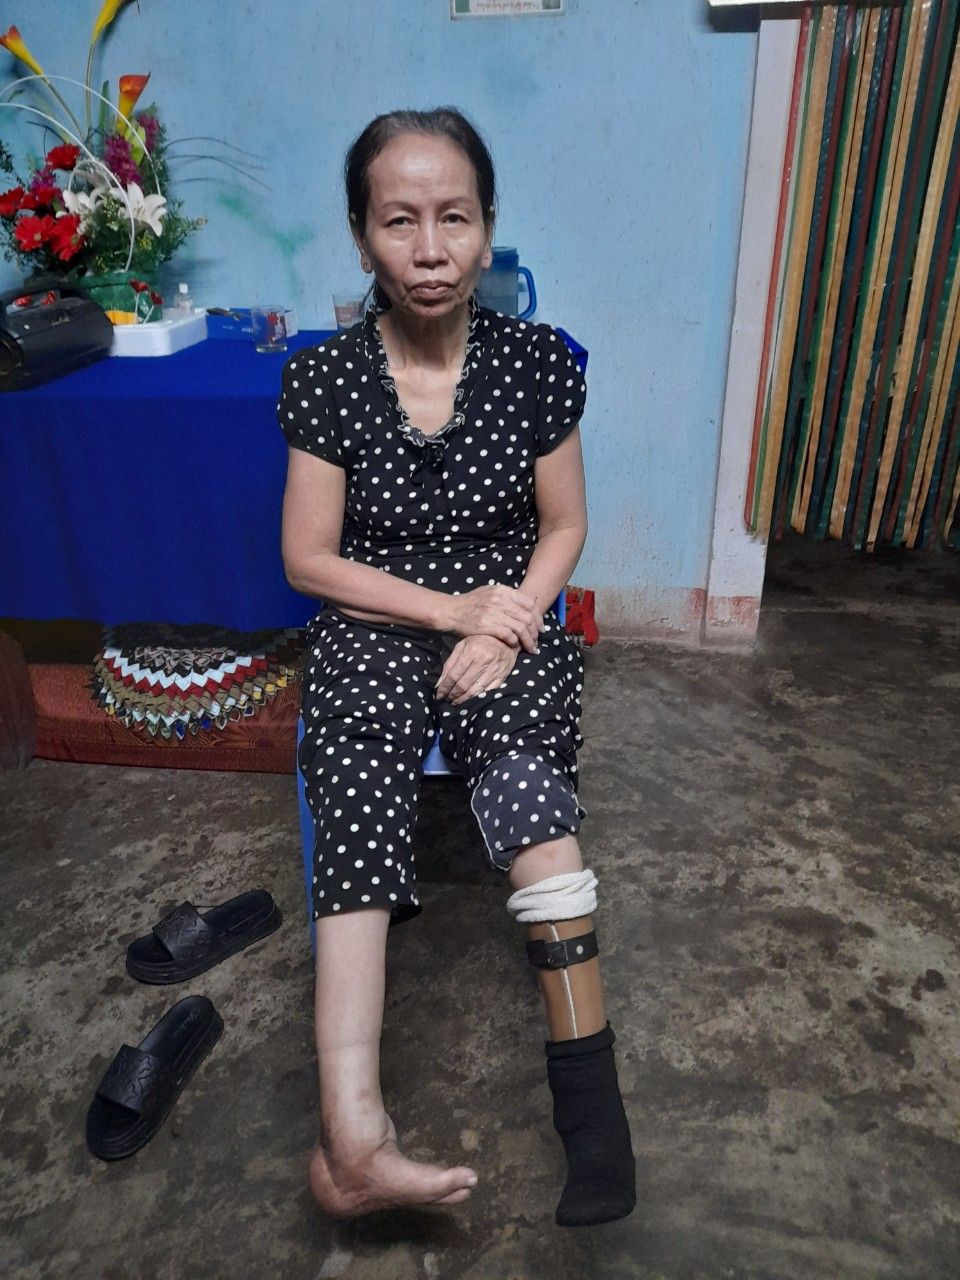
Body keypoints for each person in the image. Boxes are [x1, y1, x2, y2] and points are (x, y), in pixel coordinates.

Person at [278, 107, 635, 1227]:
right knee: (357, 782)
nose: (429, 250)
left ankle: (594, 1116)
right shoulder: (325, 378)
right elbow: (307, 560)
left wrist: (505, 622)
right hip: (375, 617)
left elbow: (564, 523)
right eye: (400, 222)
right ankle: (353, 1140)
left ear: (487, 229)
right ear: (361, 235)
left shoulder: (537, 363)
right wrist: (449, 609)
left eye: (454, 218)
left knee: (526, 781)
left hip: (505, 617)